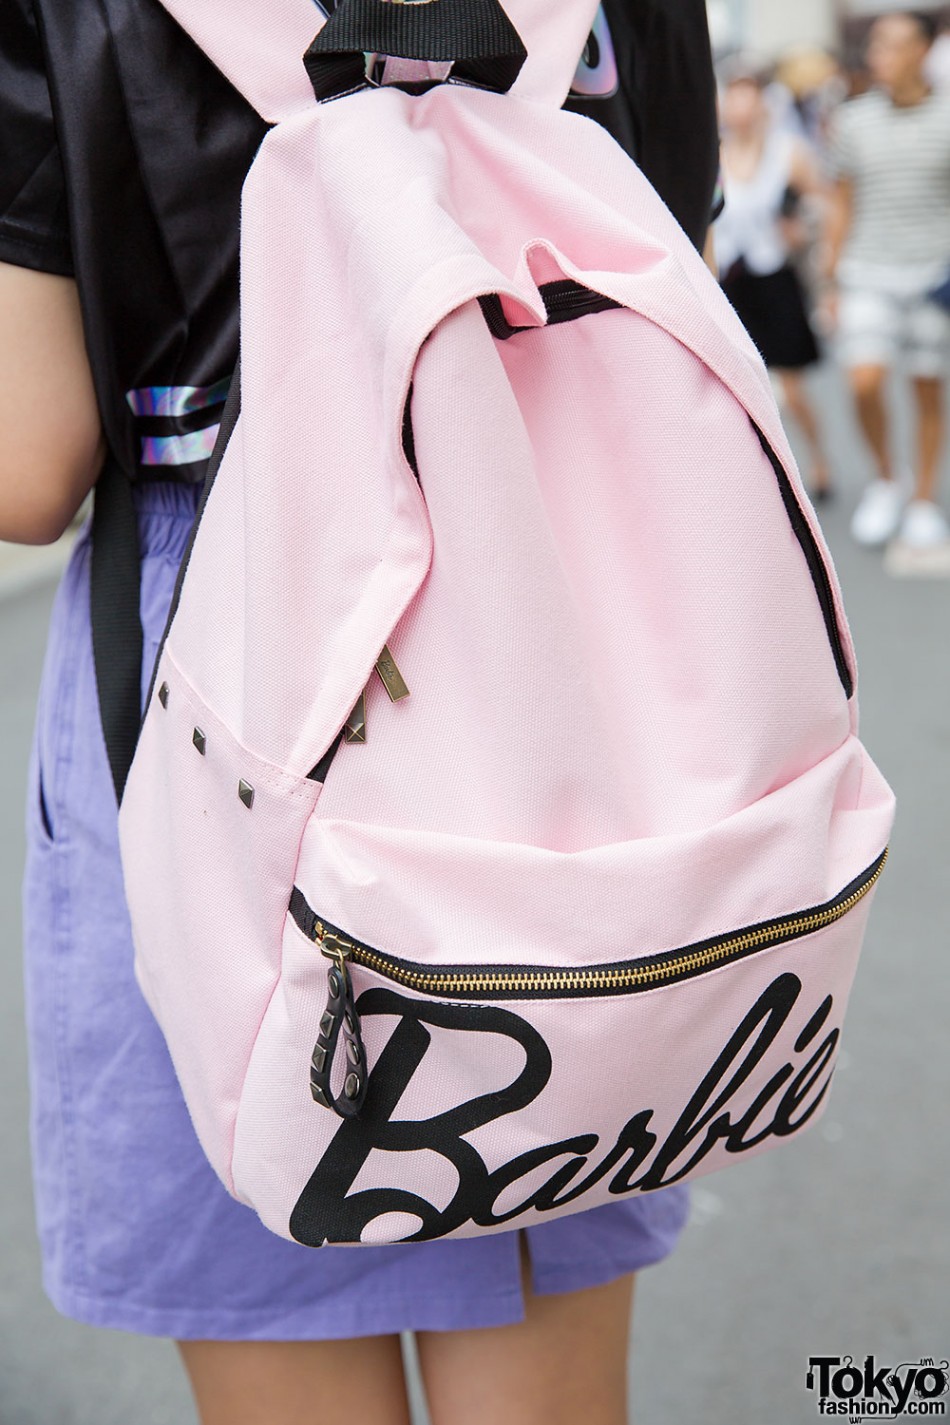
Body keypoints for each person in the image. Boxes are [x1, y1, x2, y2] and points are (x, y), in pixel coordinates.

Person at [0, 3, 720, 1423]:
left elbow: (30, 458)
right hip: (552, 620)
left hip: (229, 645)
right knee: (540, 1279)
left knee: (280, 1268)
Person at [824, 11, 950, 569]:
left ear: (923, 51)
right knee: (865, 381)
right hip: (866, 271)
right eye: (877, 45)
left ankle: (923, 498)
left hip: (933, 276)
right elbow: (842, 202)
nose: (882, 56)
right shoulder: (852, 120)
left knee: (926, 388)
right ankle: (885, 478)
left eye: (895, 45)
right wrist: (829, 277)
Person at [717, 67, 833, 501]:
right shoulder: (715, 152)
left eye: (748, 98)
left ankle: (818, 458)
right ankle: (761, 479)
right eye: (734, 97)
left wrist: (802, 227)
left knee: (793, 386)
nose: (739, 108)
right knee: (738, 388)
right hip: (730, 279)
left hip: (775, 277)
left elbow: (824, 203)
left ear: (763, 103)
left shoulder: (788, 151)